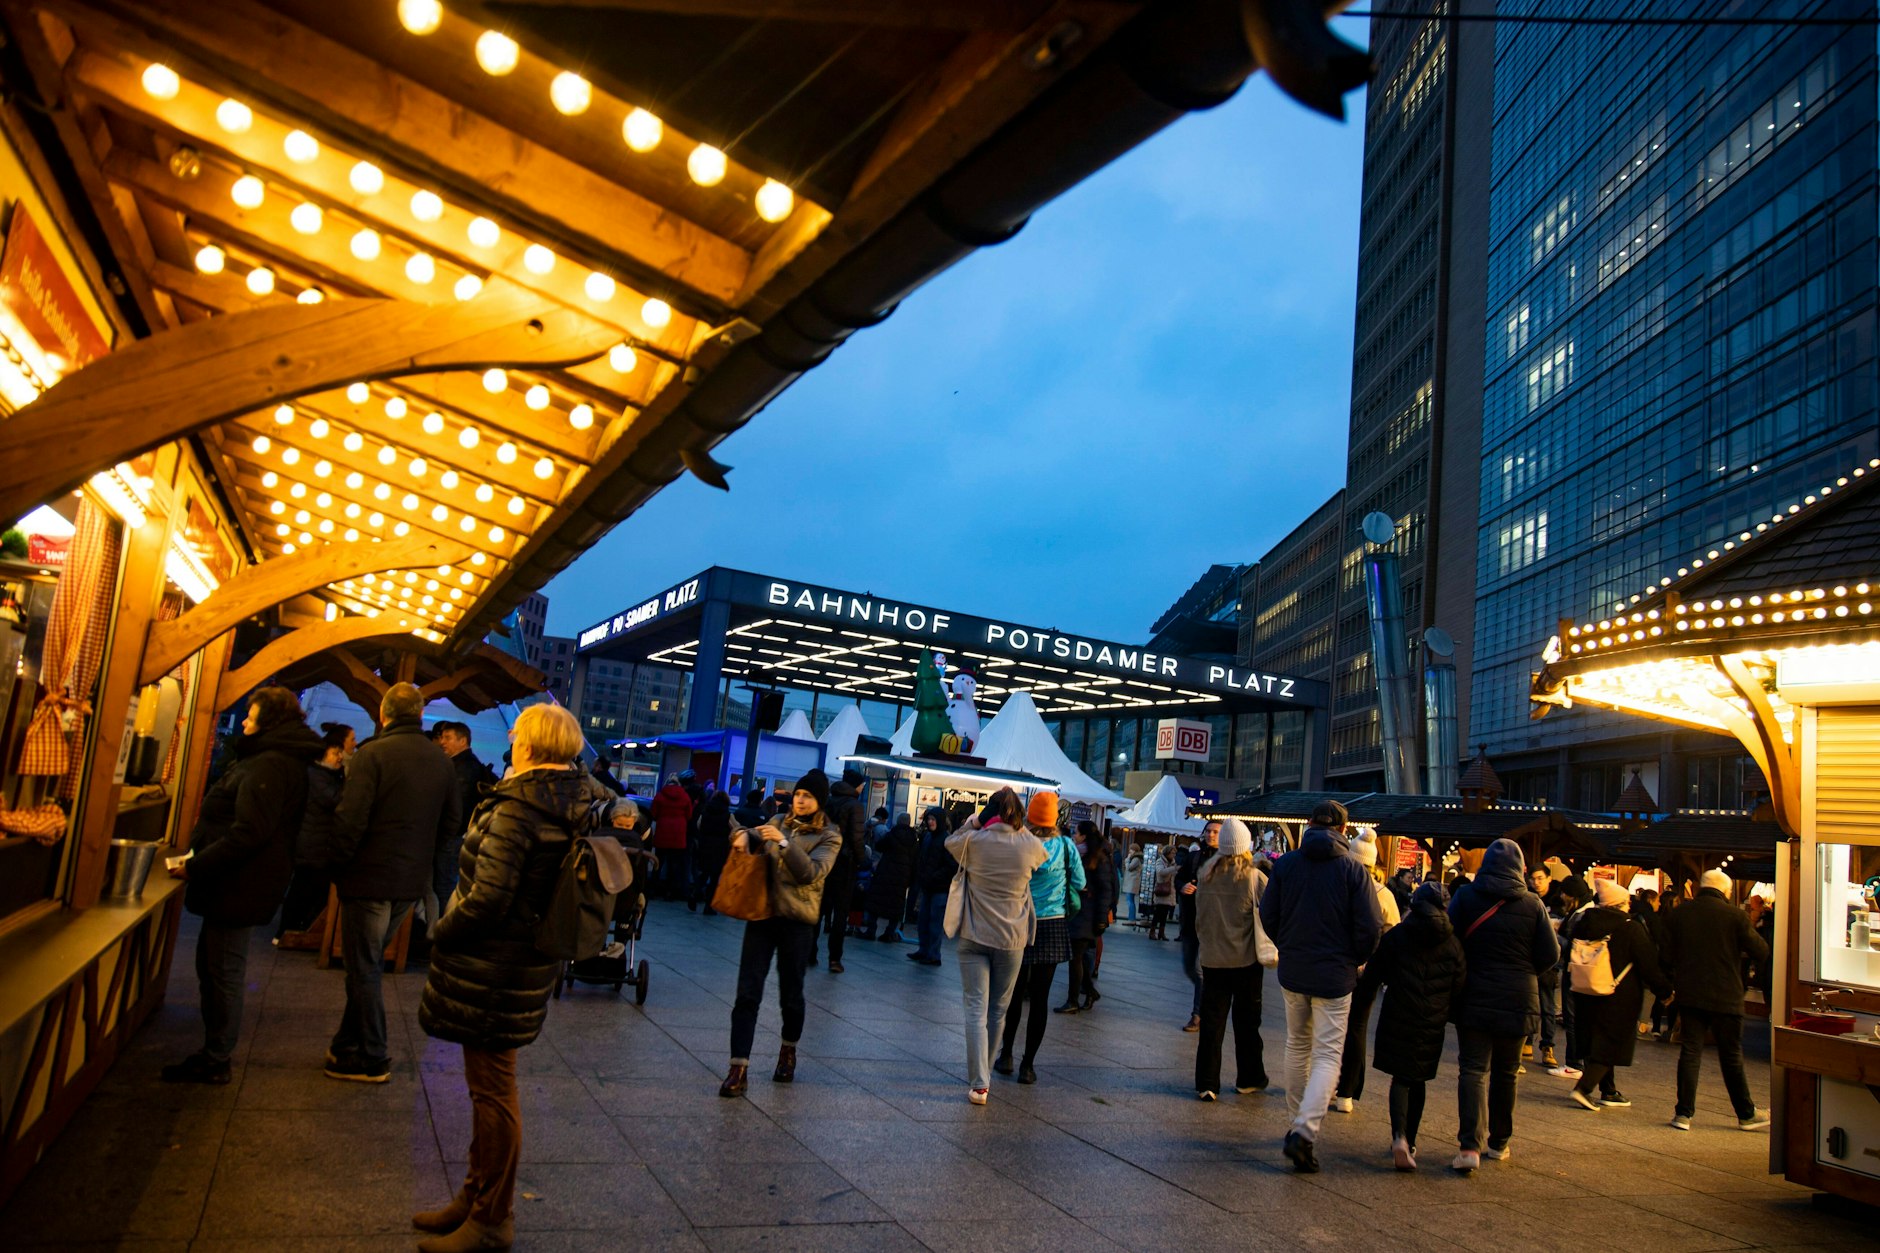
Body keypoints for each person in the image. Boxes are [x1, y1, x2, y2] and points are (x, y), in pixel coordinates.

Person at [412, 704, 616, 1253]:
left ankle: (491, 1219)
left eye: (519, 730)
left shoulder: (519, 808)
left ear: (533, 745)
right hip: (522, 960)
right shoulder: (569, 798)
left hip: (494, 965)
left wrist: (439, 931)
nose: (510, 734)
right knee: (487, 1090)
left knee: (494, 1092)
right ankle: (475, 1196)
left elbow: (488, 898)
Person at [162, 688, 323, 1085]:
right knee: (216, 965)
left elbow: (250, 832)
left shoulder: (269, 764)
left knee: (223, 970)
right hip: (241, 879)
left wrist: (197, 865)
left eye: (250, 717)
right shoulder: (274, 760)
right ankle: (215, 1050)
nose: (245, 723)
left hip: (240, 882)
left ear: (267, 722)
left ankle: (217, 1056)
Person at [324, 682, 461, 1083]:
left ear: (384, 715)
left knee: (362, 968)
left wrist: (337, 864)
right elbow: (453, 821)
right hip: (410, 881)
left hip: (368, 876)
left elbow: (351, 818)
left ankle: (373, 1055)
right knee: (366, 966)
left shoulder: (372, 755)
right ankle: (345, 1045)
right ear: (420, 716)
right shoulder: (442, 763)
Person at [1257, 799, 1383, 1174]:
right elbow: (1371, 926)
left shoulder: (1288, 864)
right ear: (1343, 830)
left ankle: (1295, 1121)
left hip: (1294, 969)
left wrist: (1287, 944)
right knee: (1328, 1054)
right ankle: (1304, 1131)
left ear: (1309, 823)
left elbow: (1268, 913)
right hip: (1335, 974)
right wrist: (1355, 957)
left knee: (1297, 1044)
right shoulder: (1353, 870)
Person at [720, 769, 842, 1098]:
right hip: (762, 913)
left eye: (808, 797)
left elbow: (812, 873)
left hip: (798, 921)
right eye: (798, 794)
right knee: (747, 992)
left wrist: (785, 844)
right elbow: (754, 837)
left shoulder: (830, 835)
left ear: (819, 802)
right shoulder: (777, 820)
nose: (800, 800)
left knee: (791, 994)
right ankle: (738, 1067)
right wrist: (743, 835)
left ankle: (788, 1050)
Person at [1446, 838, 1560, 1172]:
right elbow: (1550, 955)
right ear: (1520, 869)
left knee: (1472, 1069)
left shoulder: (1466, 897)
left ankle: (1469, 1146)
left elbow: (1450, 939)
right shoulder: (1533, 904)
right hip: (1518, 998)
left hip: (1474, 995)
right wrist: (1526, 973)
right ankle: (1499, 1142)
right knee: (1507, 1073)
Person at [946, 789, 1049, 1104]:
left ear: (987, 813)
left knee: (975, 1009)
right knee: (999, 1010)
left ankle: (980, 1083)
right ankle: (986, 1075)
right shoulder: (1030, 845)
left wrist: (972, 822)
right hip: (1011, 940)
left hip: (974, 936)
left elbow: (949, 843)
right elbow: (1042, 859)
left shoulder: (973, 842)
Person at [1358, 881, 1466, 1171]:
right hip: (1432, 1020)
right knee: (1419, 1079)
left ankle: (1399, 1137)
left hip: (1398, 1013)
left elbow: (1374, 972)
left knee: (1401, 1079)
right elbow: (1459, 984)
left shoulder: (1398, 936)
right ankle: (1412, 1141)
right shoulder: (1453, 943)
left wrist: (1361, 1002)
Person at [1664, 867, 1770, 1132]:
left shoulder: (1680, 915)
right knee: (1731, 1055)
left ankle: (1683, 1114)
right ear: (1726, 891)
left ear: (1701, 887)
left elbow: (1665, 957)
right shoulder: (1735, 916)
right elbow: (1761, 950)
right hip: (1726, 995)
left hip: (1690, 994)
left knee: (1690, 1052)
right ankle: (1745, 1113)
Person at [994, 793, 1083, 1085]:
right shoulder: (1067, 846)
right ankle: (1028, 1066)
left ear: (1030, 817)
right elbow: (1080, 883)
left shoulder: (1020, 842)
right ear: (1055, 818)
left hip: (1020, 921)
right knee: (1041, 998)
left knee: (1015, 994)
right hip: (1053, 924)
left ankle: (1005, 1054)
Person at [1567, 879, 1672, 1114]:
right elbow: (1648, 964)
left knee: (1595, 1039)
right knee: (1611, 1042)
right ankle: (1583, 1089)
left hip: (1585, 990)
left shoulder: (1584, 923)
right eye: (1626, 902)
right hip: (1618, 995)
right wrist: (1664, 991)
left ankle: (1609, 1089)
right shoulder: (1629, 928)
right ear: (1619, 903)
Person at [1192, 818, 1270, 1101]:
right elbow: (1272, 913)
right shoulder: (1254, 877)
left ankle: (1207, 1082)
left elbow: (1200, 917)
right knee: (1247, 1022)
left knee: (1211, 1023)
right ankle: (1249, 1078)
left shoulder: (1206, 874)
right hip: (1246, 960)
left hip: (1213, 960)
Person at [1332, 832, 1400, 1112]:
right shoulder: (1385, 895)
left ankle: (1328, 1083)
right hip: (1368, 971)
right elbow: (1393, 934)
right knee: (1357, 1028)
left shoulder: (1338, 887)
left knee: (1331, 1027)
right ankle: (1347, 1091)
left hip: (1337, 966)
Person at [275, 722, 354, 940]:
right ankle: (286, 930)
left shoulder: (328, 775)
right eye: (335, 753)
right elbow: (334, 801)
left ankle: (297, 928)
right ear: (323, 754)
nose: (340, 757)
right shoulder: (317, 775)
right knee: (302, 889)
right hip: (311, 843)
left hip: (317, 842)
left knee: (310, 889)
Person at [430, 720, 499, 933]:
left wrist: (446, 831)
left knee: (444, 886)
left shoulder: (462, 768)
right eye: (442, 737)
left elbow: (455, 808)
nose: (443, 742)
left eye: (448, 738)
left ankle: (444, 933)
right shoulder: (466, 765)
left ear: (463, 740)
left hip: (452, 838)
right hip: (457, 836)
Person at [813, 767, 868, 973]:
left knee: (819, 909)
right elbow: (856, 837)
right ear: (855, 785)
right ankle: (834, 959)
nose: (863, 788)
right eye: (862, 785)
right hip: (844, 863)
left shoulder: (828, 801)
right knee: (840, 912)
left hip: (824, 859)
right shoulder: (855, 806)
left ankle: (810, 952)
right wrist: (862, 860)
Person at [1060, 819, 1116, 1013]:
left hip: (1088, 914)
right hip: (1078, 912)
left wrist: (1102, 918)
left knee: (1075, 957)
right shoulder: (1081, 855)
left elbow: (1105, 889)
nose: (1074, 836)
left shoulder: (1098, 858)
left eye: (1076, 833)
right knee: (1079, 957)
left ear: (1084, 836)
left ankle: (1073, 1000)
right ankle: (1090, 992)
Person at [1176, 820, 1221, 1031]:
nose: (1211, 835)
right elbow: (1179, 878)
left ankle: (1197, 1015)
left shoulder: (1227, 860)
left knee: (1198, 968)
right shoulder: (1194, 857)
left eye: (1216, 832)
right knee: (1188, 966)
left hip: (1211, 924)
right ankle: (1208, 994)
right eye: (1209, 831)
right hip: (1190, 920)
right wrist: (1183, 886)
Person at [910, 807, 956, 966]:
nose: (930, 822)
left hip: (939, 888)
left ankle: (933, 954)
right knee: (923, 920)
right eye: (929, 819)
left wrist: (933, 876)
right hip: (928, 886)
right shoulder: (929, 837)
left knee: (935, 922)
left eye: (933, 819)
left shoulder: (946, 840)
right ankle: (924, 950)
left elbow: (951, 866)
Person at [860, 815, 917, 941]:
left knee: (877, 900)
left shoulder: (892, 834)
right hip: (903, 875)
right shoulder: (913, 838)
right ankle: (889, 932)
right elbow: (915, 858)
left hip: (886, 871)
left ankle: (871, 929)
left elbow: (880, 846)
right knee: (896, 904)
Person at [649, 774, 693, 901]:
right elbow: (689, 815)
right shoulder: (685, 796)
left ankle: (652, 890)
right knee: (674, 865)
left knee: (658, 863)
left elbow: (654, 814)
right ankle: (669, 893)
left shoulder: (660, 795)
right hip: (678, 834)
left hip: (663, 832)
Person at [690, 787, 733, 914]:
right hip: (720, 848)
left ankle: (695, 894)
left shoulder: (705, 812)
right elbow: (736, 829)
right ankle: (708, 905)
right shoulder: (728, 815)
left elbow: (698, 826)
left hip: (705, 846)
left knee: (704, 873)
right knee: (714, 878)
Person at [1150, 850, 1177, 940]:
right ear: (1167, 853)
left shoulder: (1173, 863)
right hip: (1161, 889)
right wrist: (1174, 869)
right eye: (1172, 853)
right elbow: (1161, 872)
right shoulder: (1160, 861)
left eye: (1174, 853)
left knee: (1165, 913)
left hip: (1169, 890)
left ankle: (1161, 932)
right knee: (1158, 912)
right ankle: (1152, 931)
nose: (1174, 855)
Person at [1123, 844, 1143, 922]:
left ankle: (1131, 919)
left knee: (1130, 901)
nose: (1129, 851)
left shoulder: (1136, 859)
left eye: (1131, 849)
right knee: (1130, 900)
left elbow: (1129, 868)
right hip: (1131, 882)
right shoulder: (1136, 858)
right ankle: (1131, 918)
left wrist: (1127, 860)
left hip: (1132, 883)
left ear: (1134, 850)